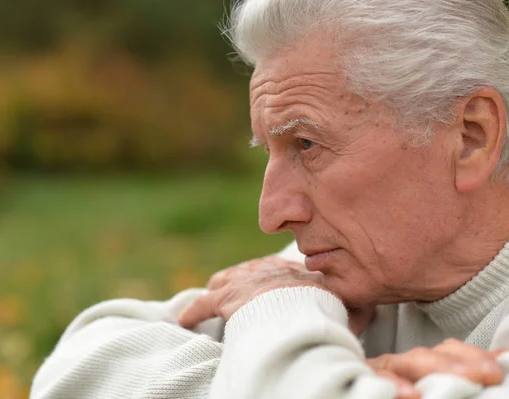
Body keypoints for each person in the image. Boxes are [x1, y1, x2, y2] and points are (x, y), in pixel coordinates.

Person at [30, 1, 509, 398]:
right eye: (270, 151)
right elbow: (72, 370)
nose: (272, 214)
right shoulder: (335, 279)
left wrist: (268, 346)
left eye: (306, 144)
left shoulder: (341, 272)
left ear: (470, 136)